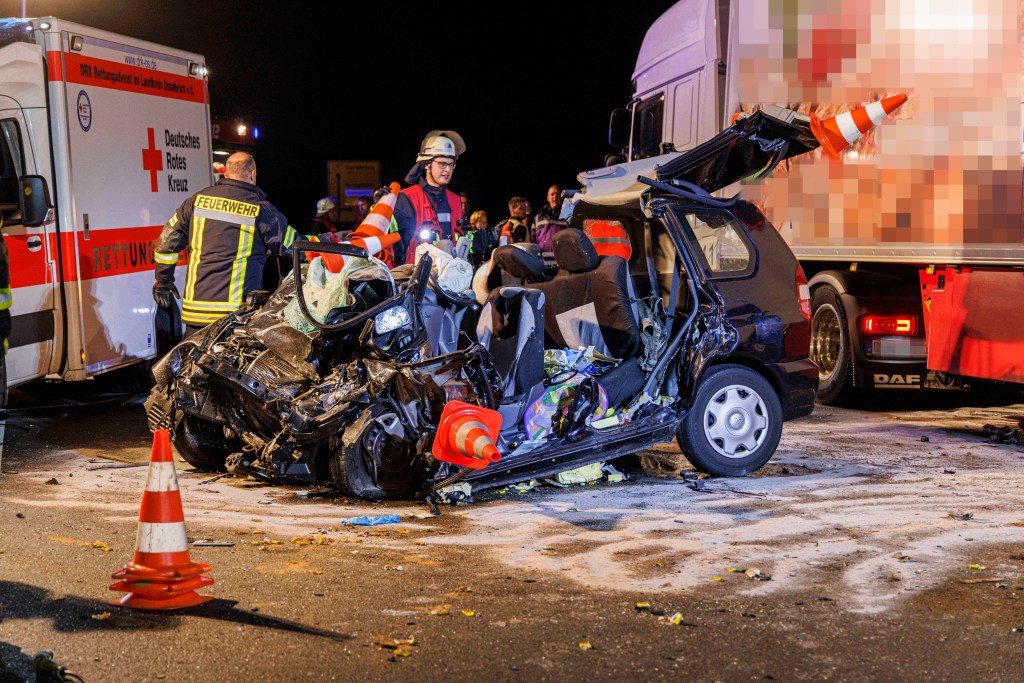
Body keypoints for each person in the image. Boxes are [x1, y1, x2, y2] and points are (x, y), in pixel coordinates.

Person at [152, 152, 309, 338]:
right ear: (252, 174)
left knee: (192, 366)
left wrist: (163, 280)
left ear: (225, 174)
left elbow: (165, 243)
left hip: (195, 316)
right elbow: (294, 249)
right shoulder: (261, 208)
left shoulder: (196, 201)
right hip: (235, 318)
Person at [393, 130, 466, 264]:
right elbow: (387, 238)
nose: (448, 170)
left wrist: (479, 240)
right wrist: (381, 206)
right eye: (442, 164)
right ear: (427, 164)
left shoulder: (455, 200)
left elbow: (459, 241)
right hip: (415, 278)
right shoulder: (407, 199)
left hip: (451, 277)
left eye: (451, 164)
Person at [531, 184, 567, 269]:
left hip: (561, 265)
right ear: (548, 198)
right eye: (552, 194)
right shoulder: (538, 218)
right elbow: (532, 242)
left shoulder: (567, 217)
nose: (555, 196)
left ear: (562, 197)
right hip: (542, 264)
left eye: (558, 194)